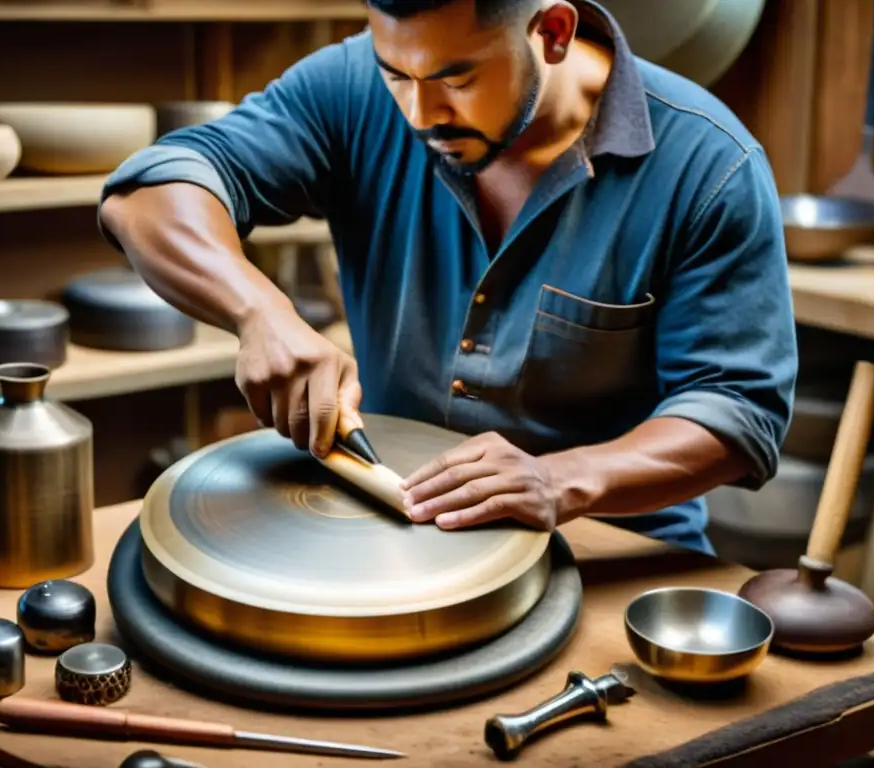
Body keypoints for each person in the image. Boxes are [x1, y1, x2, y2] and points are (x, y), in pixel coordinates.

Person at [97, 0, 798, 555]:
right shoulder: (351, 87)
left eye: (456, 78)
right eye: (396, 72)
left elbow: (738, 409)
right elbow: (149, 191)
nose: (418, 113)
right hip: (397, 533)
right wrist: (259, 312)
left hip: (610, 551)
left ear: (552, 31)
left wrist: (559, 479)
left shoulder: (711, 165)